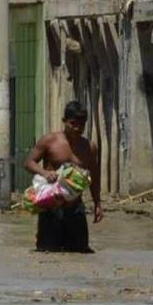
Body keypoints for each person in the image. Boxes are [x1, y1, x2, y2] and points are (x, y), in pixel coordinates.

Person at [24, 101, 102, 253]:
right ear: (64, 121)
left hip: (75, 208)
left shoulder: (89, 147)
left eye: (81, 125)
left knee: (80, 253)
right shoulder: (49, 141)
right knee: (48, 252)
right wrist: (45, 173)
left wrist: (97, 203)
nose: (77, 128)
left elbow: (94, 176)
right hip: (51, 208)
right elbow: (28, 163)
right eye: (73, 123)